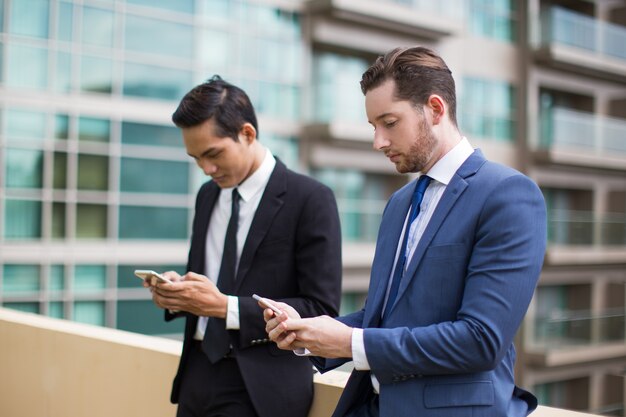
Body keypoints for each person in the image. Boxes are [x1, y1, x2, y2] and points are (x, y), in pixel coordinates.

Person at [264, 46, 547, 417]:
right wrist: (309, 332)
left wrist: (351, 342)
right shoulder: (399, 203)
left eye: (390, 123)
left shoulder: (507, 194)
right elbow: (383, 316)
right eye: (373, 127)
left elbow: (481, 340)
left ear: (435, 109)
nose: (378, 141)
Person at [145, 75, 342, 417]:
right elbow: (210, 283)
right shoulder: (207, 196)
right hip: (196, 373)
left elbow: (319, 309)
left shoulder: (310, 199)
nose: (206, 169)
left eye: (213, 154)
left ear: (248, 134)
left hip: (262, 388)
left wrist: (226, 307)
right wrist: (179, 294)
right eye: (195, 158)